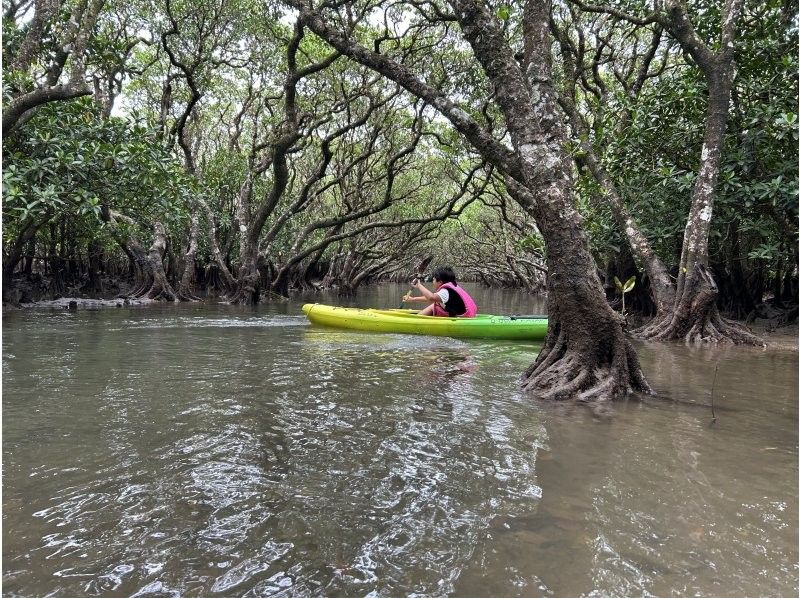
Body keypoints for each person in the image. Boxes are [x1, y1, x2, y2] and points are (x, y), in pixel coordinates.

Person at [402, 266, 478, 317]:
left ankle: (417, 319)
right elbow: (432, 298)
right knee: (437, 303)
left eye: (434, 279)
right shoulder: (452, 287)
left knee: (434, 306)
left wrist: (419, 285)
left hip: (461, 318)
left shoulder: (445, 291)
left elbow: (431, 298)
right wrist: (413, 299)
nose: (433, 281)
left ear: (440, 282)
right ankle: (419, 317)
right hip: (464, 314)